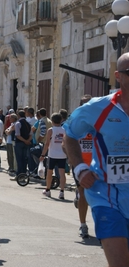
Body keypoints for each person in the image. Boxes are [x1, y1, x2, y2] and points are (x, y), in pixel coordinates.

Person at [63, 52, 129, 266]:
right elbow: (69, 135)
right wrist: (80, 168)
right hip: (107, 196)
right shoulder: (98, 108)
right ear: (118, 76)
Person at [63, 94, 92, 238]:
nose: (89, 106)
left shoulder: (99, 121)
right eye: (85, 104)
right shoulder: (75, 122)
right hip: (80, 164)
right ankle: (83, 225)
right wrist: (71, 158)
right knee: (83, 194)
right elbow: (65, 142)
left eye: (90, 103)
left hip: (96, 164)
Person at [39, 113, 67, 199]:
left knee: (49, 173)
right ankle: (62, 191)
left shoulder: (50, 130)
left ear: (52, 121)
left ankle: (48, 190)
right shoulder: (64, 130)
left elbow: (47, 143)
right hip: (62, 154)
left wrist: (43, 154)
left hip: (52, 154)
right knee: (62, 173)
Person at [14, 110, 32, 177]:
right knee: (24, 159)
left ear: (18, 115)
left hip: (19, 143)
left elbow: (18, 135)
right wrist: (27, 141)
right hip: (26, 143)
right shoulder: (28, 123)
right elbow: (31, 134)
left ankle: (19, 174)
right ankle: (24, 173)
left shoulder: (18, 123)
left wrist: (24, 140)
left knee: (19, 159)